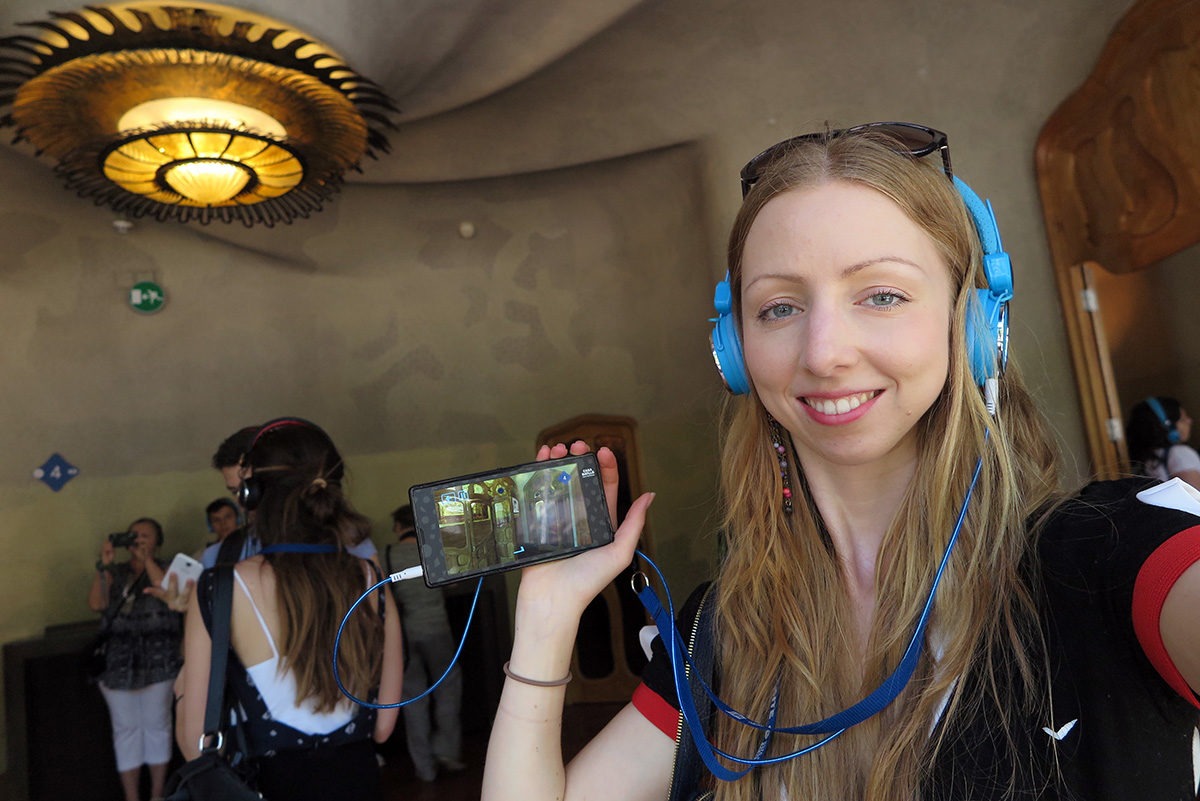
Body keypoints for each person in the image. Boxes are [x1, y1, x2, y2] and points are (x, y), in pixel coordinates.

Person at [480, 124, 1200, 801]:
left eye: (881, 294)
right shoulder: (722, 633)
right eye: (780, 307)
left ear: (975, 324)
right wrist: (548, 612)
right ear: (735, 354)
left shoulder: (1106, 555)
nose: (824, 351)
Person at [176, 417, 403, 801]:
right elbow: (382, 726)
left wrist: (182, 688)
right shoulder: (370, 578)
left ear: (251, 494)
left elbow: (196, 744)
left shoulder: (220, 586)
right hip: (359, 783)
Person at [87, 517, 183, 801]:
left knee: (157, 726)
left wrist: (148, 560)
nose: (138, 540)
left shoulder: (169, 568)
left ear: (158, 541)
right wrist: (104, 565)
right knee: (125, 729)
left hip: (160, 660)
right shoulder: (115, 571)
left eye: (146, 536)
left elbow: (170, 595)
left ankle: (156, 793)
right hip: (118, 662)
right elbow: (96, 604)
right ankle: (131, 797)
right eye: (134, 535)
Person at [385, 503, 464, 781]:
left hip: (405, 636)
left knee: (413, 698)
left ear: (398, 526)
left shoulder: (388, 554)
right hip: (436, 628)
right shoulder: (433, 549)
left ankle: (424, 768)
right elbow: (453, 584)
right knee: (447, 687)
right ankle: (447, 752)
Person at [1126, 396, 1200, 490]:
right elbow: (1195, 497)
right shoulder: (1180, 453)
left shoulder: (1147, 457)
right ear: (1168, 427)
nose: (1189, 421)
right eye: (1182, 419)